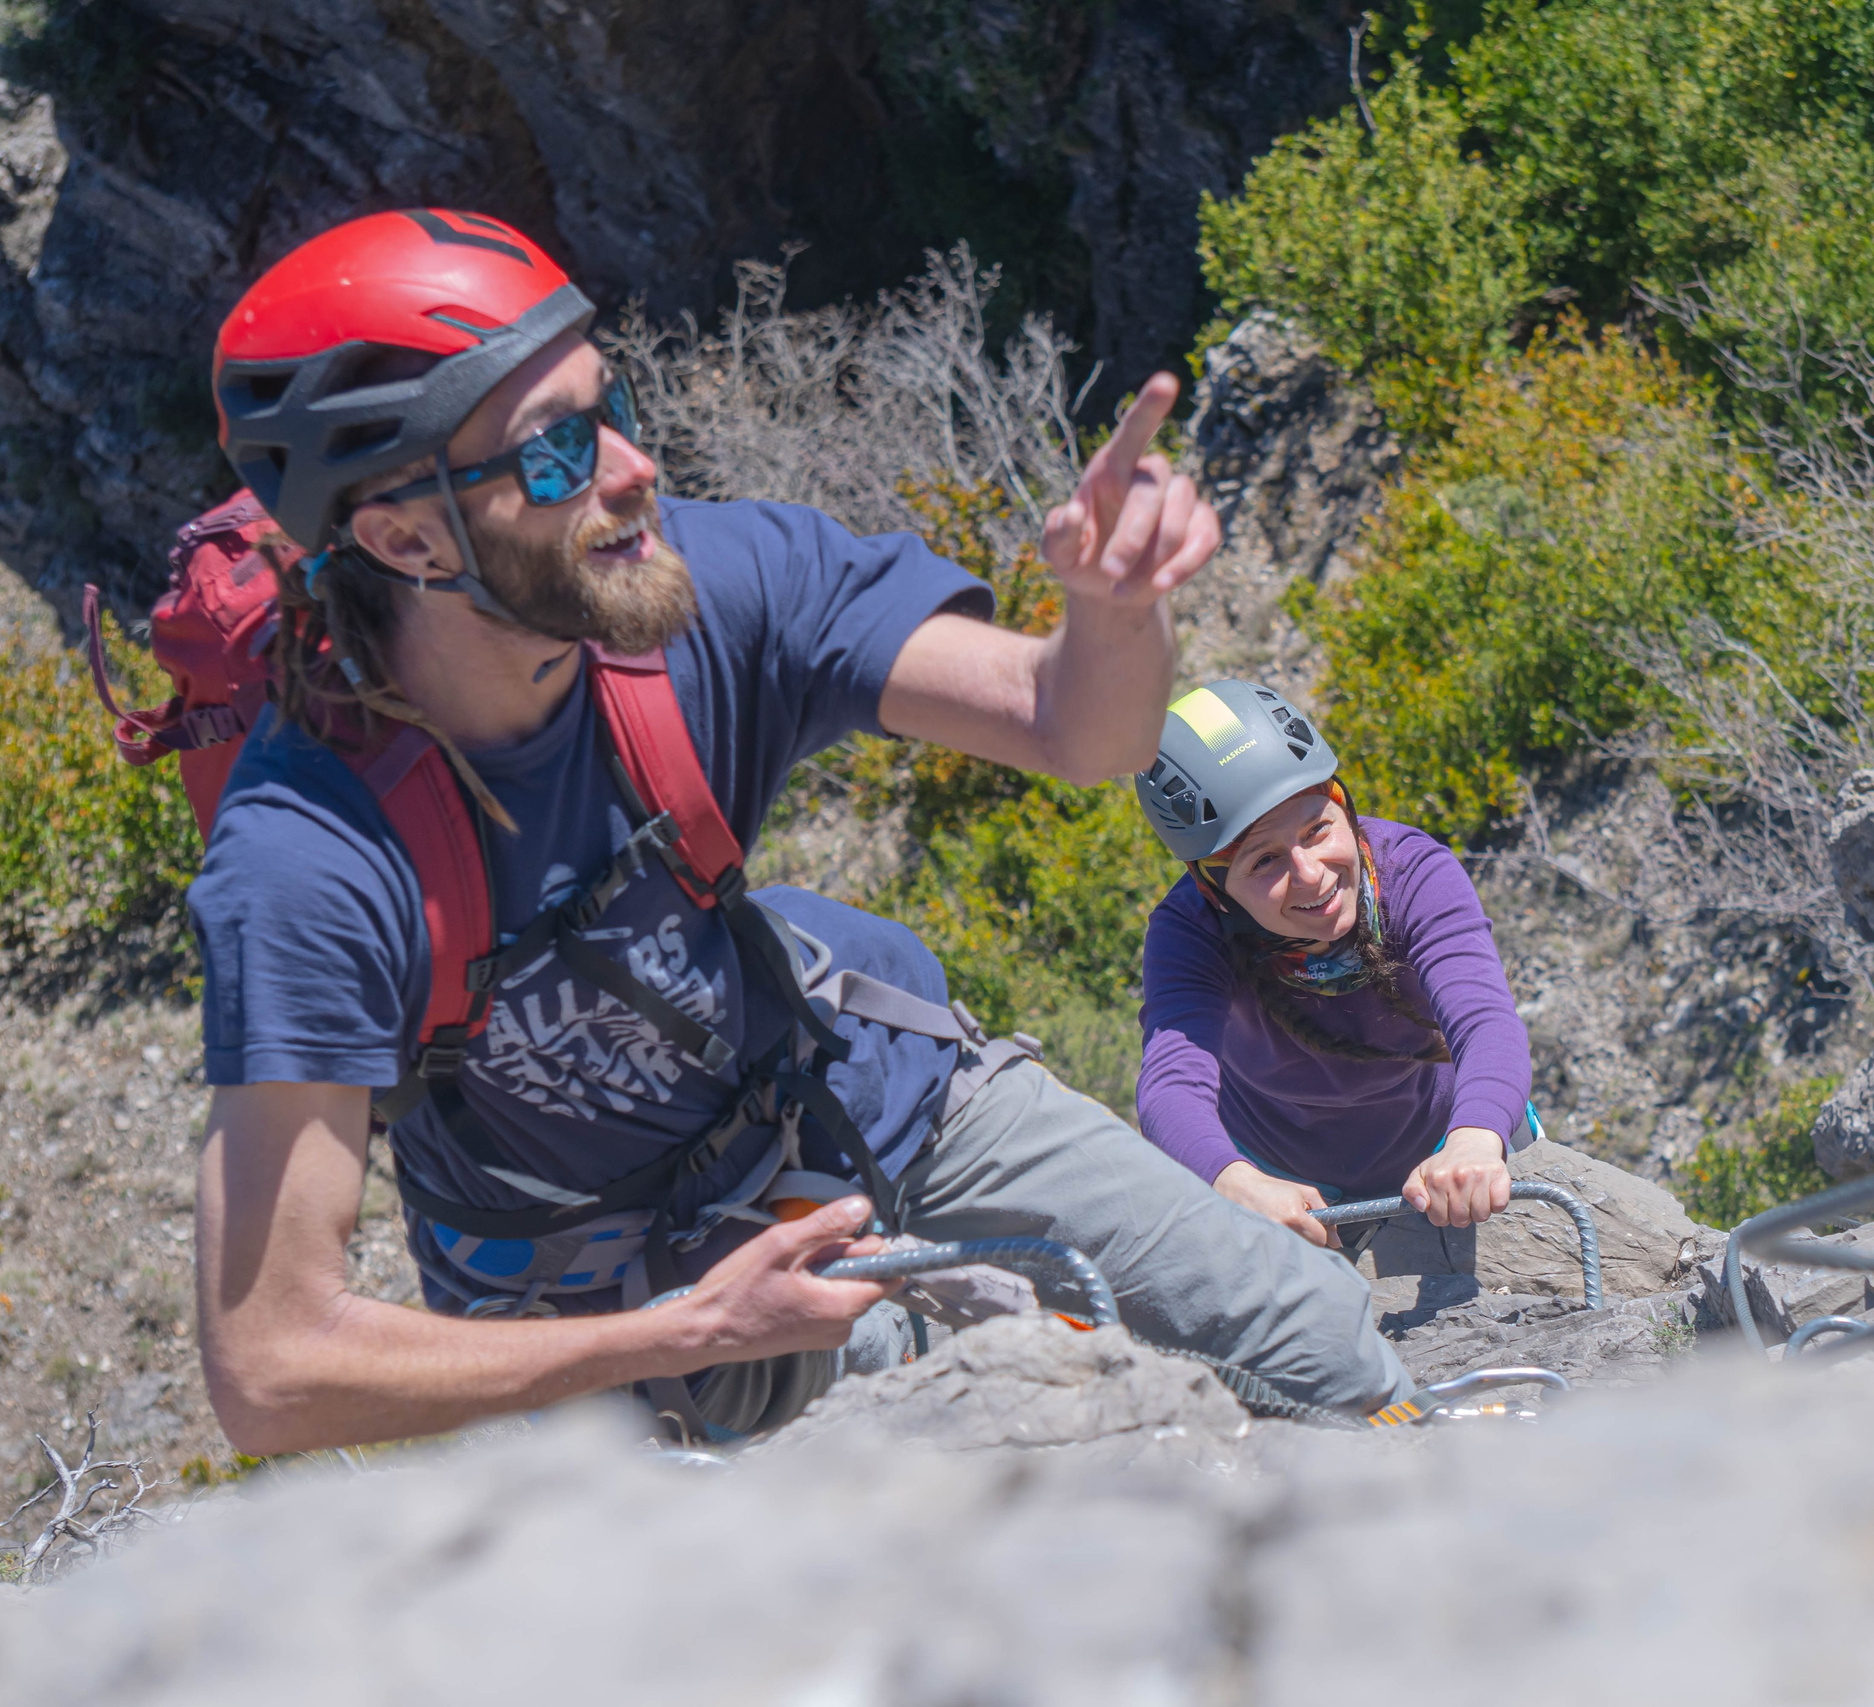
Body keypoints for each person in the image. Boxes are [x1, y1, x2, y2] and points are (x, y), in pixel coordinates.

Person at [188, 210, 1415, 1453]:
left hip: (862, 1095)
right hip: (624, 1269)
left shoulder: (708, 588)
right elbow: (272, 1366)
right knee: (981, 1431)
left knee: (1315, 1339)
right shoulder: (312, 863)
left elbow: (1073, 730)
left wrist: (1113, 612)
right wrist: (695, 1330)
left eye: (608, 410)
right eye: (554, 455)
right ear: (404, 537)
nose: (630, 468)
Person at [1132, 680, 1537, 1253]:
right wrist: (1237, 1182)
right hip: (1284, 1180)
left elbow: (1486, 1023)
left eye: (1317, 830)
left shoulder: (1414, 874)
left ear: (1343, 806)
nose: (1312, 875)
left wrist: (1474, 1139)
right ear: (1213, 889)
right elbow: (1172, 1084)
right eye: (1265, 860)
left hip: (1452, 1141)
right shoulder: (1190, 931)